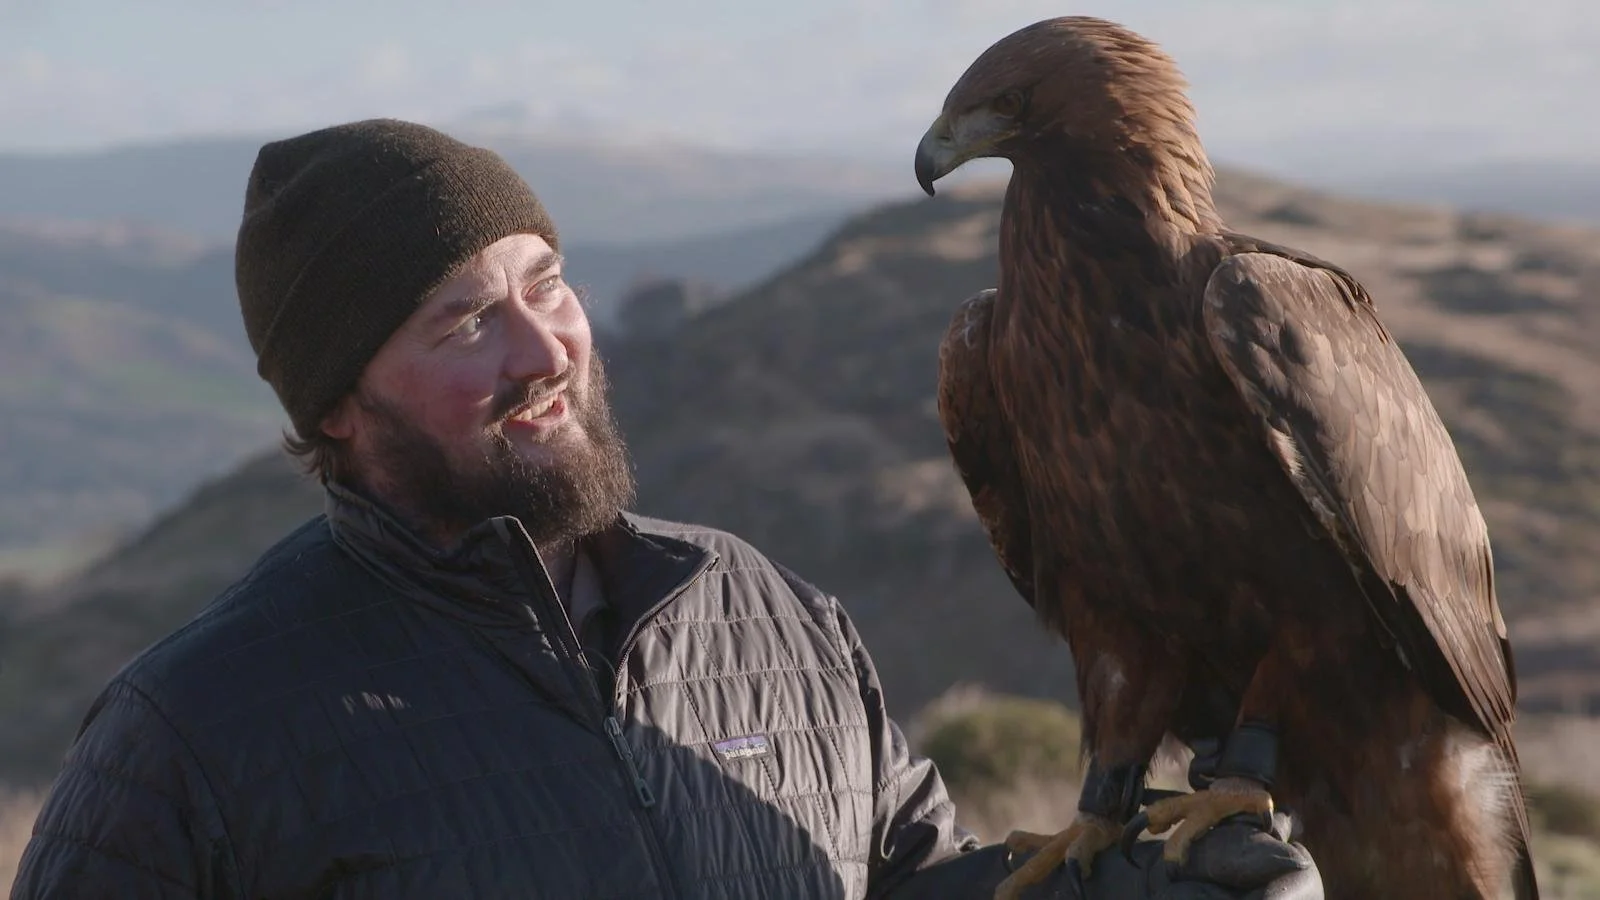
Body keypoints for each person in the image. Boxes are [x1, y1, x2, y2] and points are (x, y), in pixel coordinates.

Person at [10, 119, 1322, 899]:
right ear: (339, 407)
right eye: (468, 319)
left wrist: (1128, 886)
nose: (547, 349)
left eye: (548, 281)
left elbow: (907, 885)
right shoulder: (199, 727)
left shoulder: (769, 616)